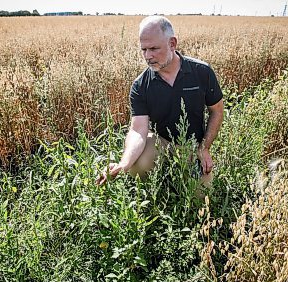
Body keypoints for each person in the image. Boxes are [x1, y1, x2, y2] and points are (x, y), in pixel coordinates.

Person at [96, 15, 224, 186]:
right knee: (137, 165)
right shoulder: (141, 85)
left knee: (201, 198)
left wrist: (205, 148)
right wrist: (123, 164)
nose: (148, 56)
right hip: (161, 143)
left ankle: (180, 175)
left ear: (172, 43)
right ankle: (158, 184)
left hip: (193, 147)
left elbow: (217, 110)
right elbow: (137, 131)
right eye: (144, 50)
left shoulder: (201, 72)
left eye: (154, 48)